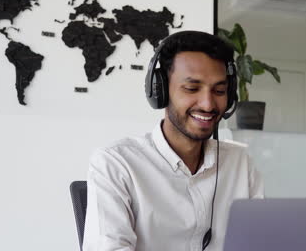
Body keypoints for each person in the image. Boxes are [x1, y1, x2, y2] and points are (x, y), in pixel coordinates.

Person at [83, 31, 264, 251]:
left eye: (219, 90)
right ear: (160, 90)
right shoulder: (116, 164)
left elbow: (260, 242)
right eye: (191, 88)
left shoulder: (240, 163)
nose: (208, 104)